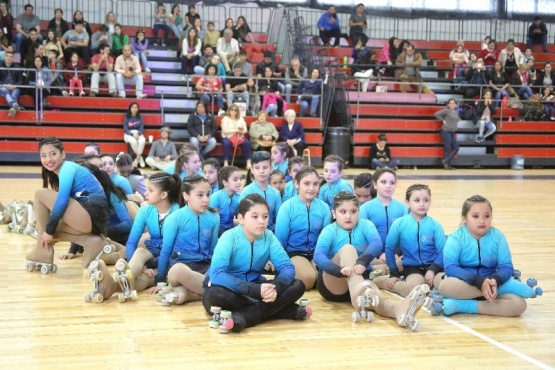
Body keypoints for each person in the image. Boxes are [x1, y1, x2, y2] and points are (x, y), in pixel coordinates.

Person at [314, 191, 429, 330]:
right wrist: (338, 270)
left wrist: (362, 261)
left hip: (359, 281)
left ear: (359, 211)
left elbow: (376, 243)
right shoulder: (330, 230)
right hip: (333, 283)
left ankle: (398, 310)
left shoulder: (365, 225)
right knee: (348, 249)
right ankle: (362, 288)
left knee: (376, 296)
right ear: (334, 213)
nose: (348, 216)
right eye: (343, 212)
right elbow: (318, 256)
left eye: (353, 211)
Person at [203, 194, 310, 333]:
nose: (261, 221)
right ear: (241, 218)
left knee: (298, 285)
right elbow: (217, 275)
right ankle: (280, 310)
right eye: (255, 216)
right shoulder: (229, 237)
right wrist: (254, 291)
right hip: (231, 291)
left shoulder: (269, 236)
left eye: (265, 216)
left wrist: (275, 288)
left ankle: (244, 317)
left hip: (257, 290)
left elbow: (287, 267)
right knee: (215, 294)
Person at [434, 195, 534, 317]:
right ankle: (506, 288)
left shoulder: (498, 237)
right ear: (464, 218)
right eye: (475, 216)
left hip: (493, 284)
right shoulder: (455, 238)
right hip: (466, 285)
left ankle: (459, 305)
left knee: (519, 305)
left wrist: (495, 281)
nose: (482, 221)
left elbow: (506, 267)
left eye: (487, 216)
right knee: (445, 287)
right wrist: (479, 282)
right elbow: (451, 268)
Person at [90, 172, 182, 301]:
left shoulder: (179, 212)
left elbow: (170, 250)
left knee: (145, 279)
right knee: (139, 252)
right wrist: (141, 266)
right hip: (154, 252)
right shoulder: (145, 210)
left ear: (163, 195)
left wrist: (160, 280)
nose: (145, 193)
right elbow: (132, 242)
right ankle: (123, 274)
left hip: (173, 258)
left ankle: (111, 285)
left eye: (150, 190)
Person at [26, 137, 111, 272]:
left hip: (91, 212)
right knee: (50, 226)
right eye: (43, 156)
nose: (48, 159)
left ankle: (43, 251)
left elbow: (62, 201)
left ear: (63, 154)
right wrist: (49, 230)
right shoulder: (63, 171)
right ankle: (90, 241)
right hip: (94, 220)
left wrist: (48, 231)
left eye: (53, 154)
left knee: (40, 195)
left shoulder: (67, 168)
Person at [145, 175, 219, 307]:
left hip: (204, 268)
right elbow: (166, 252)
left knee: (219, 274)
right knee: (178, 270)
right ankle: (213, 291)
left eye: (208, 194)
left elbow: (213, 252)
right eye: (200, 195)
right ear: (186, 196)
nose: (206, 199)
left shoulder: (214, 218)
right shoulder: (174, 218)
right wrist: (160, 281)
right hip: (181, 268)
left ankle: (191, 293)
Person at [373, 184, 446, 298]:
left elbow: (443, 251)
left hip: (435, 267)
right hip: (413, 268)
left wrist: (432, 270)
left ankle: (433, 289)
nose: (422, 204)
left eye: (426, 200)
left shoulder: (435, 225)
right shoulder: (399, 224)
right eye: (417, 200)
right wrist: (393, 273)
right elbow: (389, 248)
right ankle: (381, 281)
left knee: (445, 286)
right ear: (407, 202)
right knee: (413, 290)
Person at [276, 167, 331, 290]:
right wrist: (280, 263)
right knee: (308, 279)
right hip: (295, 253)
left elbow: (327, 237)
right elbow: (280, 239)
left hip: (317, 253)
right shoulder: (287, 207)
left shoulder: (324, 207)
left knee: (325, 278)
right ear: (297, 184)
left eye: (315, 184)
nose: (311, 188)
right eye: (307, 184)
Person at [359, 168, 408, 248]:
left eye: (392, 183)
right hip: (372, 256)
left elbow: (406, 236)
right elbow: (361, 237)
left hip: (397, 255)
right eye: (383, 182)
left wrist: (396, 253)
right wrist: (378, 254)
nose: (388, 186)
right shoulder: (365, 208)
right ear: (375, 184)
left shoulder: (403, 208)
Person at [239, 151, 281, 231]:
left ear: (271, 169)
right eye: (257, 168)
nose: (261, 171)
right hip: (251, 233)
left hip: (271, 233)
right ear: (252, 170)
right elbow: (242, 219)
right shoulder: (246, 192)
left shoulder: (275, 193)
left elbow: (278, 219)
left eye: (265, 167)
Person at [209, 166, 242, 236]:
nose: (239, 182)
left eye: (240, 179)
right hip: (216, 231)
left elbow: (240, 218)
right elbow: (211, 222)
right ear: (225, 182)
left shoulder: (239, 197)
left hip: (231, 229)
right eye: (235, 180)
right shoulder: (215, 197)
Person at [221, 104, 252, 168]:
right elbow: (225, 131)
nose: (233, 111)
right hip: (227, 136)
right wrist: (236, 130)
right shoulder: (225, 118)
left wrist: (241, 132)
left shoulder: (240, 118)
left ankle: (248, 162)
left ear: (237, 111)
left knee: (246, 143)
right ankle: (226, 162)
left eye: (235, 110)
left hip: (239, 136)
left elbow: (245, 129)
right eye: (232, 110)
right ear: (229, 110)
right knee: (226, 143)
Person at [434, 99, 460, 170]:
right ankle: (447, 165)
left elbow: (456, 119)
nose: (452, 104)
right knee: (447, 148)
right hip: (446, 131)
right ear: (448, 104)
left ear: (455, 104)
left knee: (456, 148)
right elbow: (436, 114)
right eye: (450, 103)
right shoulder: (446, 111)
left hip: (452, 132)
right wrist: (443, 120)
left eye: (453, 103)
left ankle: (446, 161)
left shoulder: (456, 112)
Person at [123, 102, 146, 168]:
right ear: (130, 108)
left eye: (136, 107)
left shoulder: (140, 118)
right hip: (128, 134)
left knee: (142, 140)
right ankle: (140, 158)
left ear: (138, 109)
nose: (134, 109)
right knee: (133, 141)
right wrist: (132, 134)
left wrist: (138, 134)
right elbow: (125, 128)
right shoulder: (127, 117)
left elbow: (141, 128)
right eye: (133, 107)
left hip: (138, 133)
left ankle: (136, 160)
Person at [0, 51, 23, 117]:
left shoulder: (17, 67)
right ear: (4, 57)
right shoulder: (0, 66)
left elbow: (21, 81)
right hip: (3, 86)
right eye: (7, 56)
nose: (9, 58)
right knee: (5, 90)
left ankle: (12, 108)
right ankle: (14, 104)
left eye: (11, 56)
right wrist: (4, 85)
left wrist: (15, 86)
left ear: (13, 58)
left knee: (14, 93)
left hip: (14, 87)